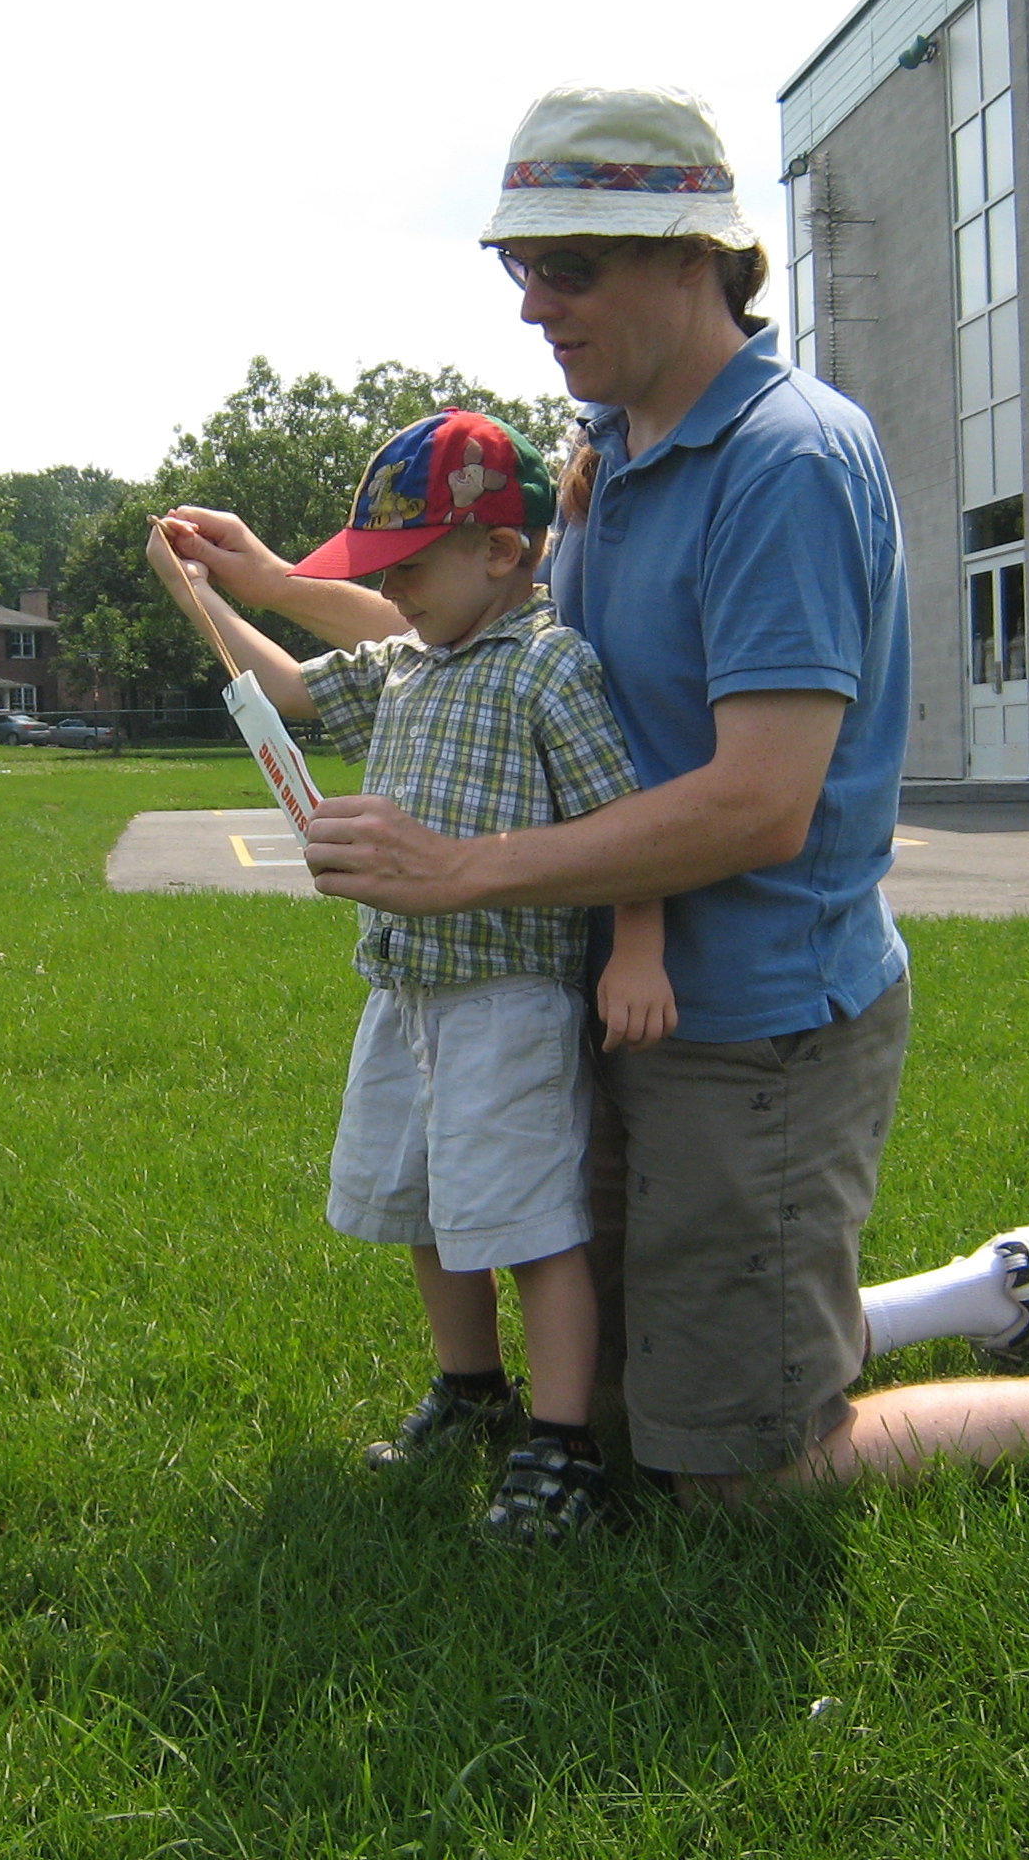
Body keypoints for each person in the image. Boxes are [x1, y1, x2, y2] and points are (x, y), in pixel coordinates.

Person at [157, 84, 1029, 1504]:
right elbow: (465, 644)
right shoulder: (612, 448)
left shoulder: (785, 462)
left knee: (740, 1474)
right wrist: (271, 582)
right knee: (632, 1400)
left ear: (694, 258)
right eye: (520, 268)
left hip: (755, 1022)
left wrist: (459, 871)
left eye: (570, 266)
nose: (536, 304)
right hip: (618, 1000)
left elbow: (759, 805)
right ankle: (999, 1288)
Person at [149, 405, 676, 1538]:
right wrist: (203, 596)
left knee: (528, 1222)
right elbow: (289, 689)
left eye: (410, 565)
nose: (390, 590)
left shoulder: (549, 669)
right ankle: (473, 1389)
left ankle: (565, 1444)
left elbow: (622, 821)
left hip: (507, 1001)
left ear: (502, 551)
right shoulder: (404, 663)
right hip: (403, 992)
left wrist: (638, 949)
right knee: (426, 1206)